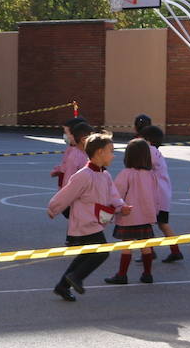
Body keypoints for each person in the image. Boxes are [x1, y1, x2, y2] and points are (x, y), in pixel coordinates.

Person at [47, 134, 129, 302]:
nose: (113, 155)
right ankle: (76, 278)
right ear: (99, 152)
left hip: (96, 221)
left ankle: (62, 286)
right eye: (111, 151)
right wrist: (53, 208)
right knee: (102, 252)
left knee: (86, 255)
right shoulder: (83, 175)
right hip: (84, 222)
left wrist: (121, 206)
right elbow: (66, 194)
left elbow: (113, 194)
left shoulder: (104, 175)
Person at [105, 137, 161, 285]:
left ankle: (122, 274)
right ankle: (147, 274)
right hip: (146, 216)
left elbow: (117, 194)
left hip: (128, 216)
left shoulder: (126, 173)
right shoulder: (151, 175)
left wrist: (115, 209)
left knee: (126, 245)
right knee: (146, 245)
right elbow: (156, 195)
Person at [140, 124, 183, 263]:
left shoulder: (150, 151)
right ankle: (175, 250)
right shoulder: (156, 152)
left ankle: (149, 251)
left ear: (148, 141)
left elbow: (142, 165)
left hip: (156, 196)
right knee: (162, 224)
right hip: (162, 195)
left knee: (146, 224)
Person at [50, 117, 91, 191]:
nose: (65, 136)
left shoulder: (75, 154)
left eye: (66, 133)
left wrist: (64, 197)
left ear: (75, 134)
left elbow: (69, 179)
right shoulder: (71, 149)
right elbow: (67, 166)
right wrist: (59, 169)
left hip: (73, 193)